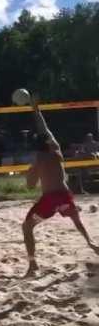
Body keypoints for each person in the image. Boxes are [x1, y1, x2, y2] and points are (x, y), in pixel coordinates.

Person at [22, 95, 99, 277]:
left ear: (35, 146)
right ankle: (91, 243)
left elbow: (30, 186)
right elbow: (45, 129)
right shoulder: (56, 151)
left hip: (50, 200)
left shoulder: (38, 160)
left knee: (27, 227)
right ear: (48, 142)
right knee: (77, 221)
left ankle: (33, 265)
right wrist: (36, 109)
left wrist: (30, 173)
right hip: (65, 195)